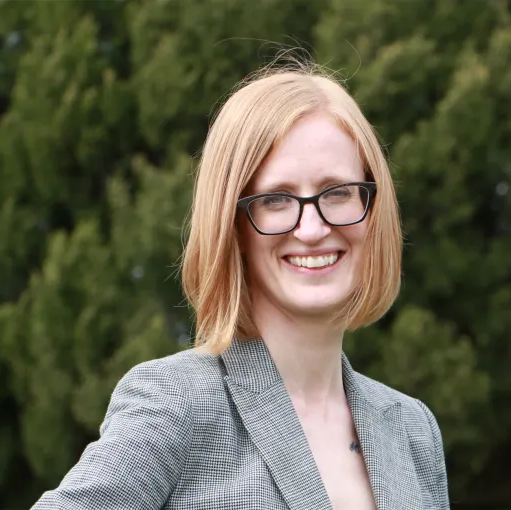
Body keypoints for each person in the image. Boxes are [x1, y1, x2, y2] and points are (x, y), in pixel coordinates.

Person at [31, 63, 450, 510]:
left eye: (337, 192)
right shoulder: (177, 401)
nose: (312, 229)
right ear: (232, 225)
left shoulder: (412, 429)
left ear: (372, 207)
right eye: (276, 199)